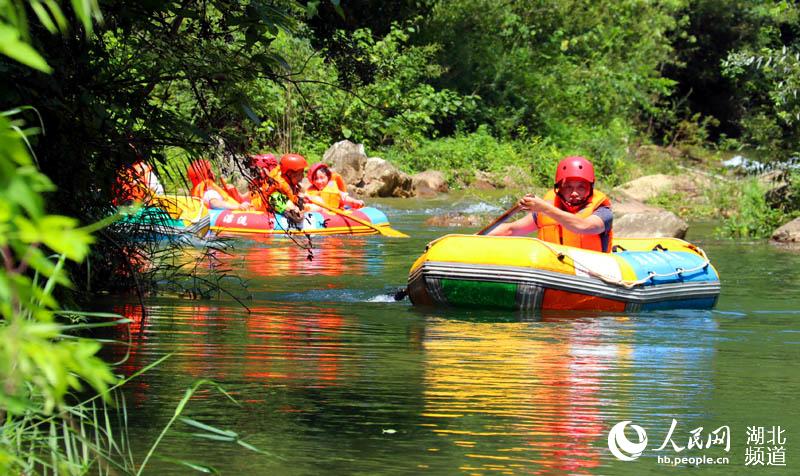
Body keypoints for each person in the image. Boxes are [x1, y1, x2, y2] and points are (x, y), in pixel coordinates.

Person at [488, 156, 613, 252]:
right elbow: (510, 230)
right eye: (568, 187)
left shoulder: (602, 210)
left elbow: (583, 226)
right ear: (559, 189)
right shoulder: (549, 208)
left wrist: (544, 208)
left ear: (590, 188)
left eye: (581, 187)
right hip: (555, 271)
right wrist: (474, 239)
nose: (574, 193)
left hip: (591, 274)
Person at [251, 153, 307, 223]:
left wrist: (300, 196)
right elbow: (297, 217)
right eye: (300, 174)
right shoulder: (276, 195)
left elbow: (296, 202)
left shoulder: (289, 182)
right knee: (275, 198)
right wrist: (301, 195)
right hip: (262, 214)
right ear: (289, 174)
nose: (302, 177)